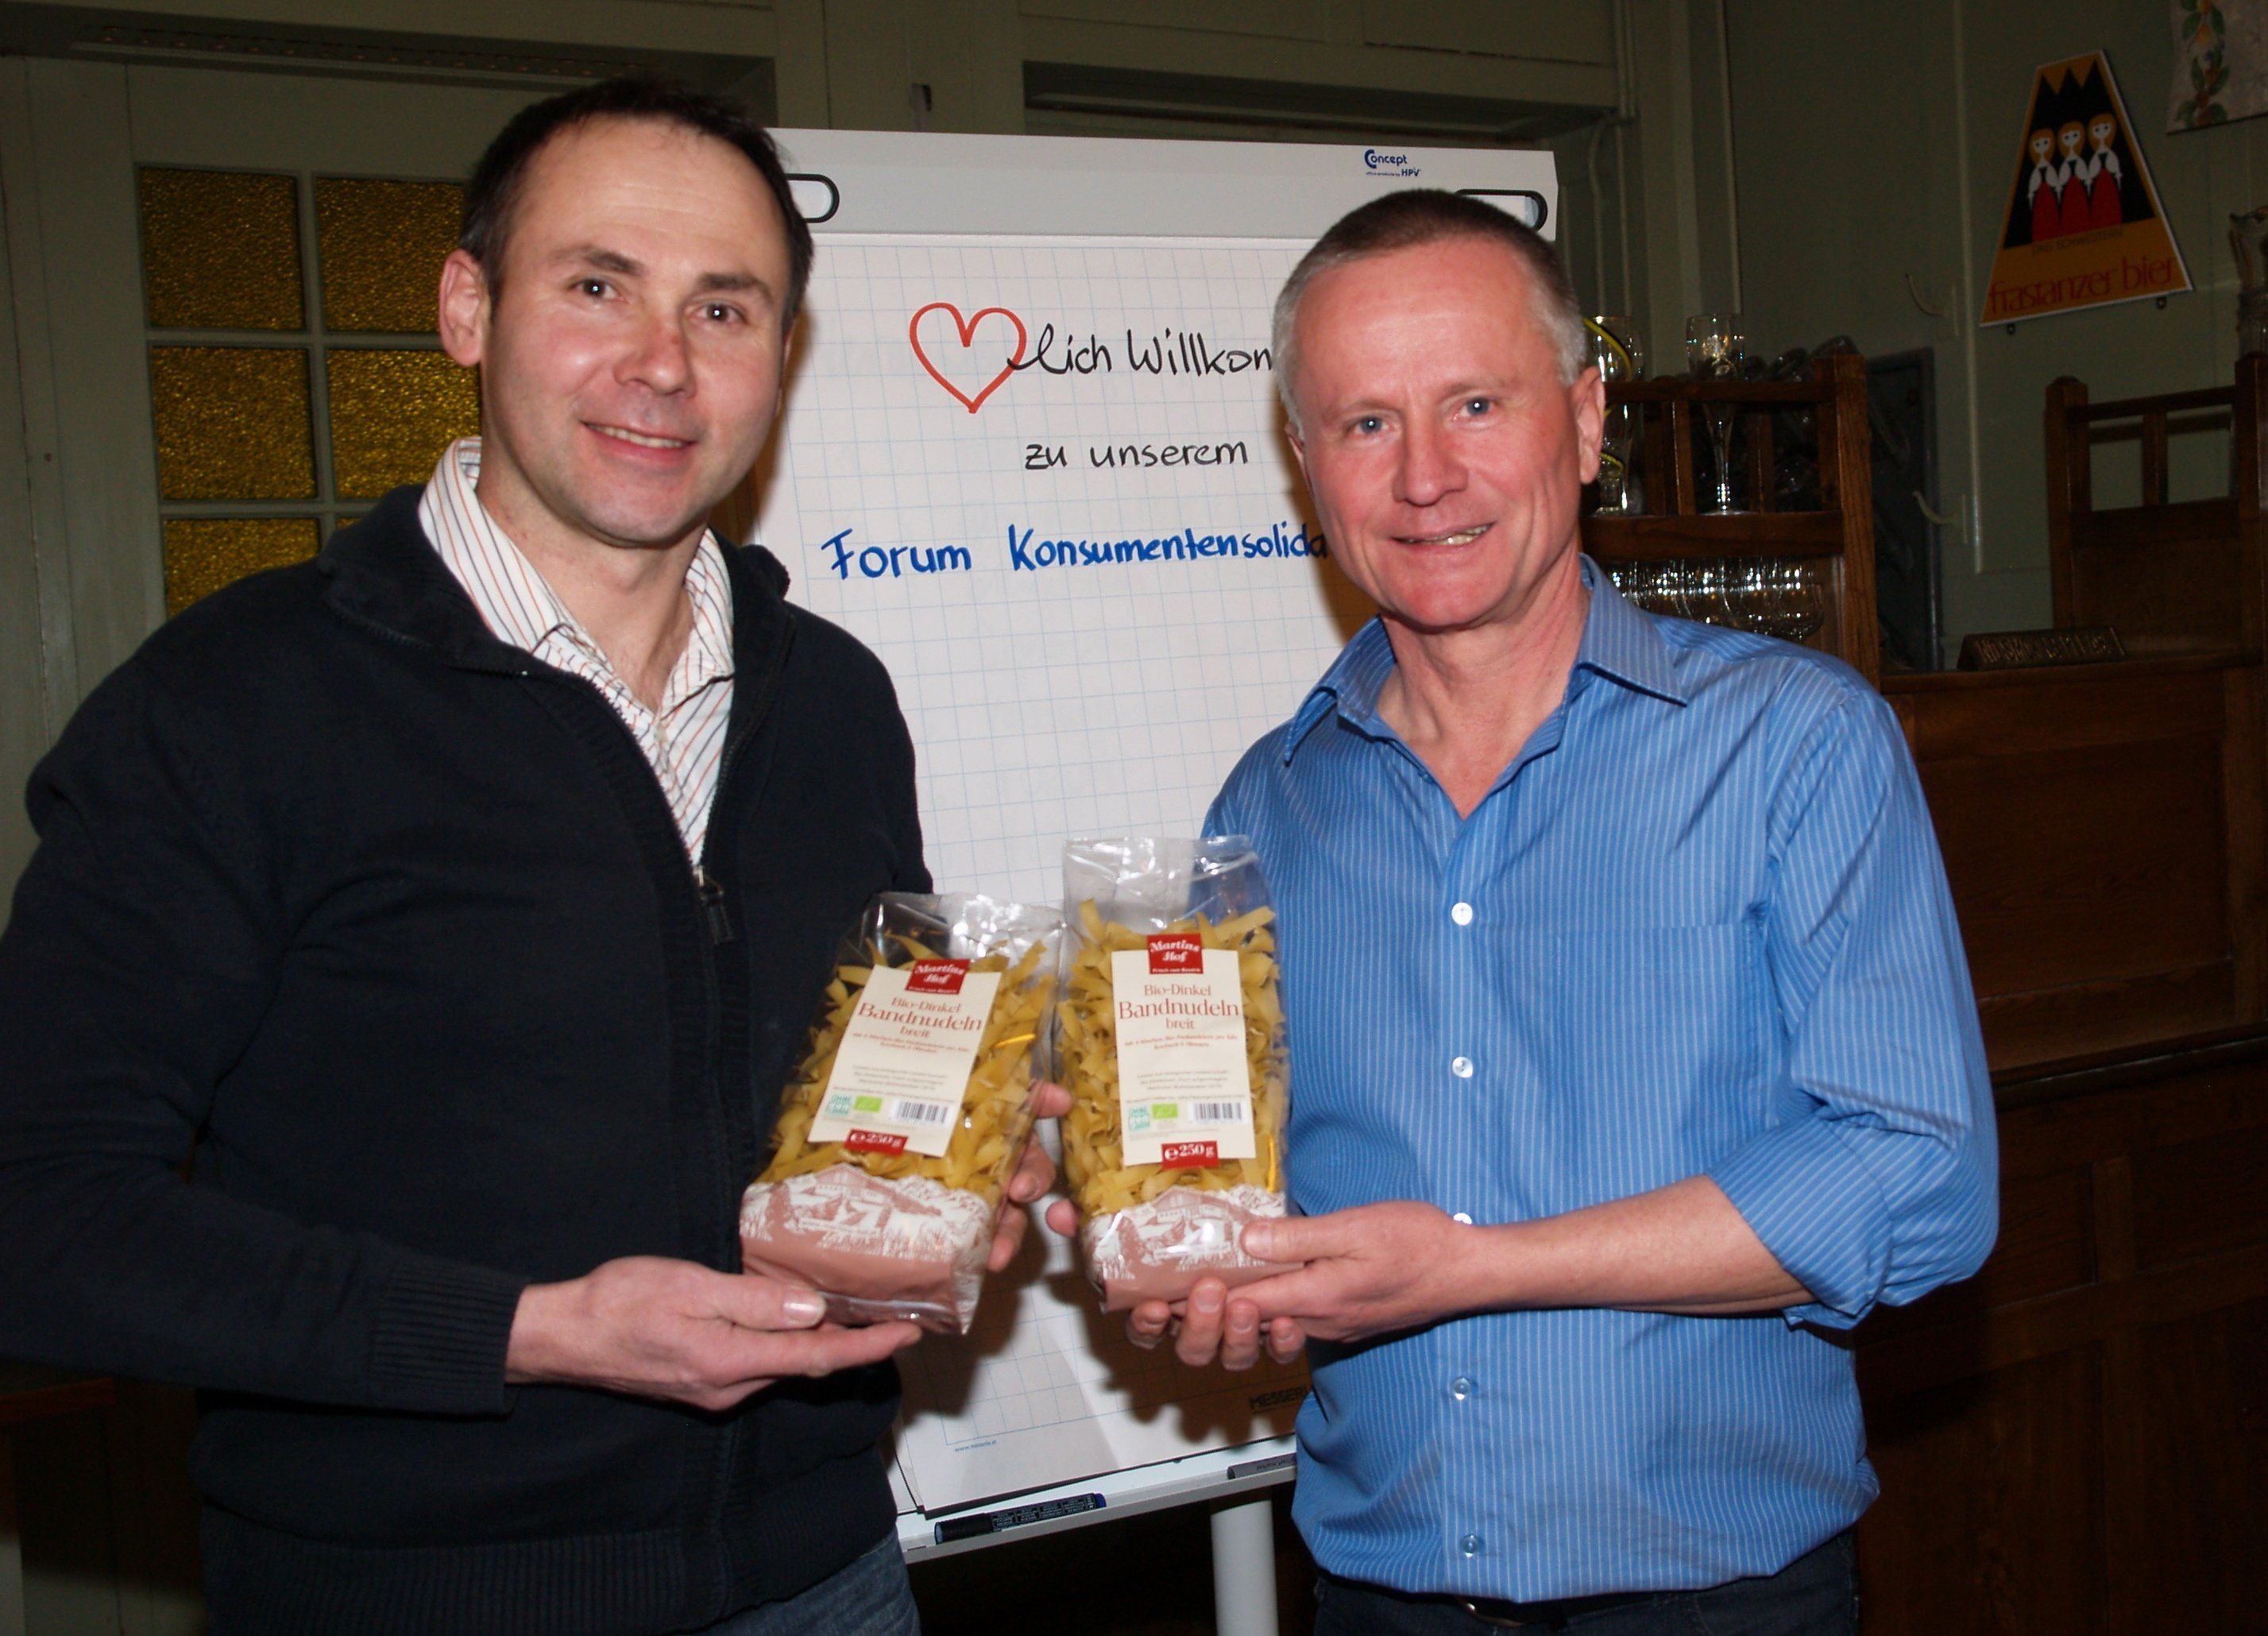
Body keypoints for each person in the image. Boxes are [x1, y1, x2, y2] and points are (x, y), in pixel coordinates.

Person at [0, 78, 1061, 1634]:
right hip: (410, 1597)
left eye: (723, 307)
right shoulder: (231, 708)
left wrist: (943, 1177)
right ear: (467, 309)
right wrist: (535, 1331)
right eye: (597, 287)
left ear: (781, 356)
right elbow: (39, 1216)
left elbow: (838, 1095)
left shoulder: (834, 696)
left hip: (825, 1575)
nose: (662, 364)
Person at [1055, 191, 1999, 1632]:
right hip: (1380, 1593)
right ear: (1306, 465)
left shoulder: (1793, 744)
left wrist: (1476, 1271)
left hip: (1713, 1600)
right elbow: (1239, 1167)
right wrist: (1174, 1231)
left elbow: (1923, 1181)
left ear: (1587, 417)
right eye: (1365, 424)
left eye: (1476, 405)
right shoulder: (1271, 802)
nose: (1425, 477)